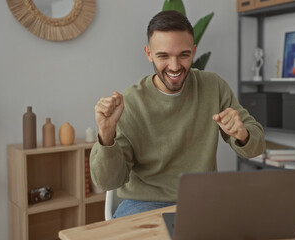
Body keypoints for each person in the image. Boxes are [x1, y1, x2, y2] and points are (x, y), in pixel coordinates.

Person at [90, 10, 265, 218]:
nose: (174, 67)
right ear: (148, 54)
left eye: (183, 55)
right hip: (145, 203)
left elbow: (256, 148)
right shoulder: (130, 102)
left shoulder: (213, 86)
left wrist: (243, 134)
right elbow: (107, 182)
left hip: (202, 199)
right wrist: (106, 134)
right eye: (163, 56)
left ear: (193, 51)